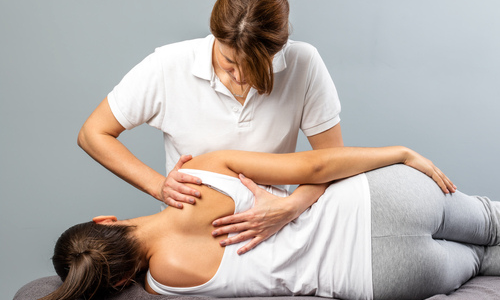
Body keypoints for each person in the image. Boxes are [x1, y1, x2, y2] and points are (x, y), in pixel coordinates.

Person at [41, 146, 500, 300]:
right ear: (105, 219)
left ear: (121, 280)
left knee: (483, 261)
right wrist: (401, 154)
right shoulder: (202, 169)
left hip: (377, 275)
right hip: (378, 201)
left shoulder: (165, 285)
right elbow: (316, 168)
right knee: (491, 222)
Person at [77, 0, 343, 254]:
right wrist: (158, 186)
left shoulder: (304, 63)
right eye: (229, 62)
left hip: (272, 233)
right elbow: (93, 133)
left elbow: (332, 163)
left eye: (256, 66)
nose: (240, 76)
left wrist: (289, 208)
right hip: (190, 238)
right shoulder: (168, 65)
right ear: (215, 35)